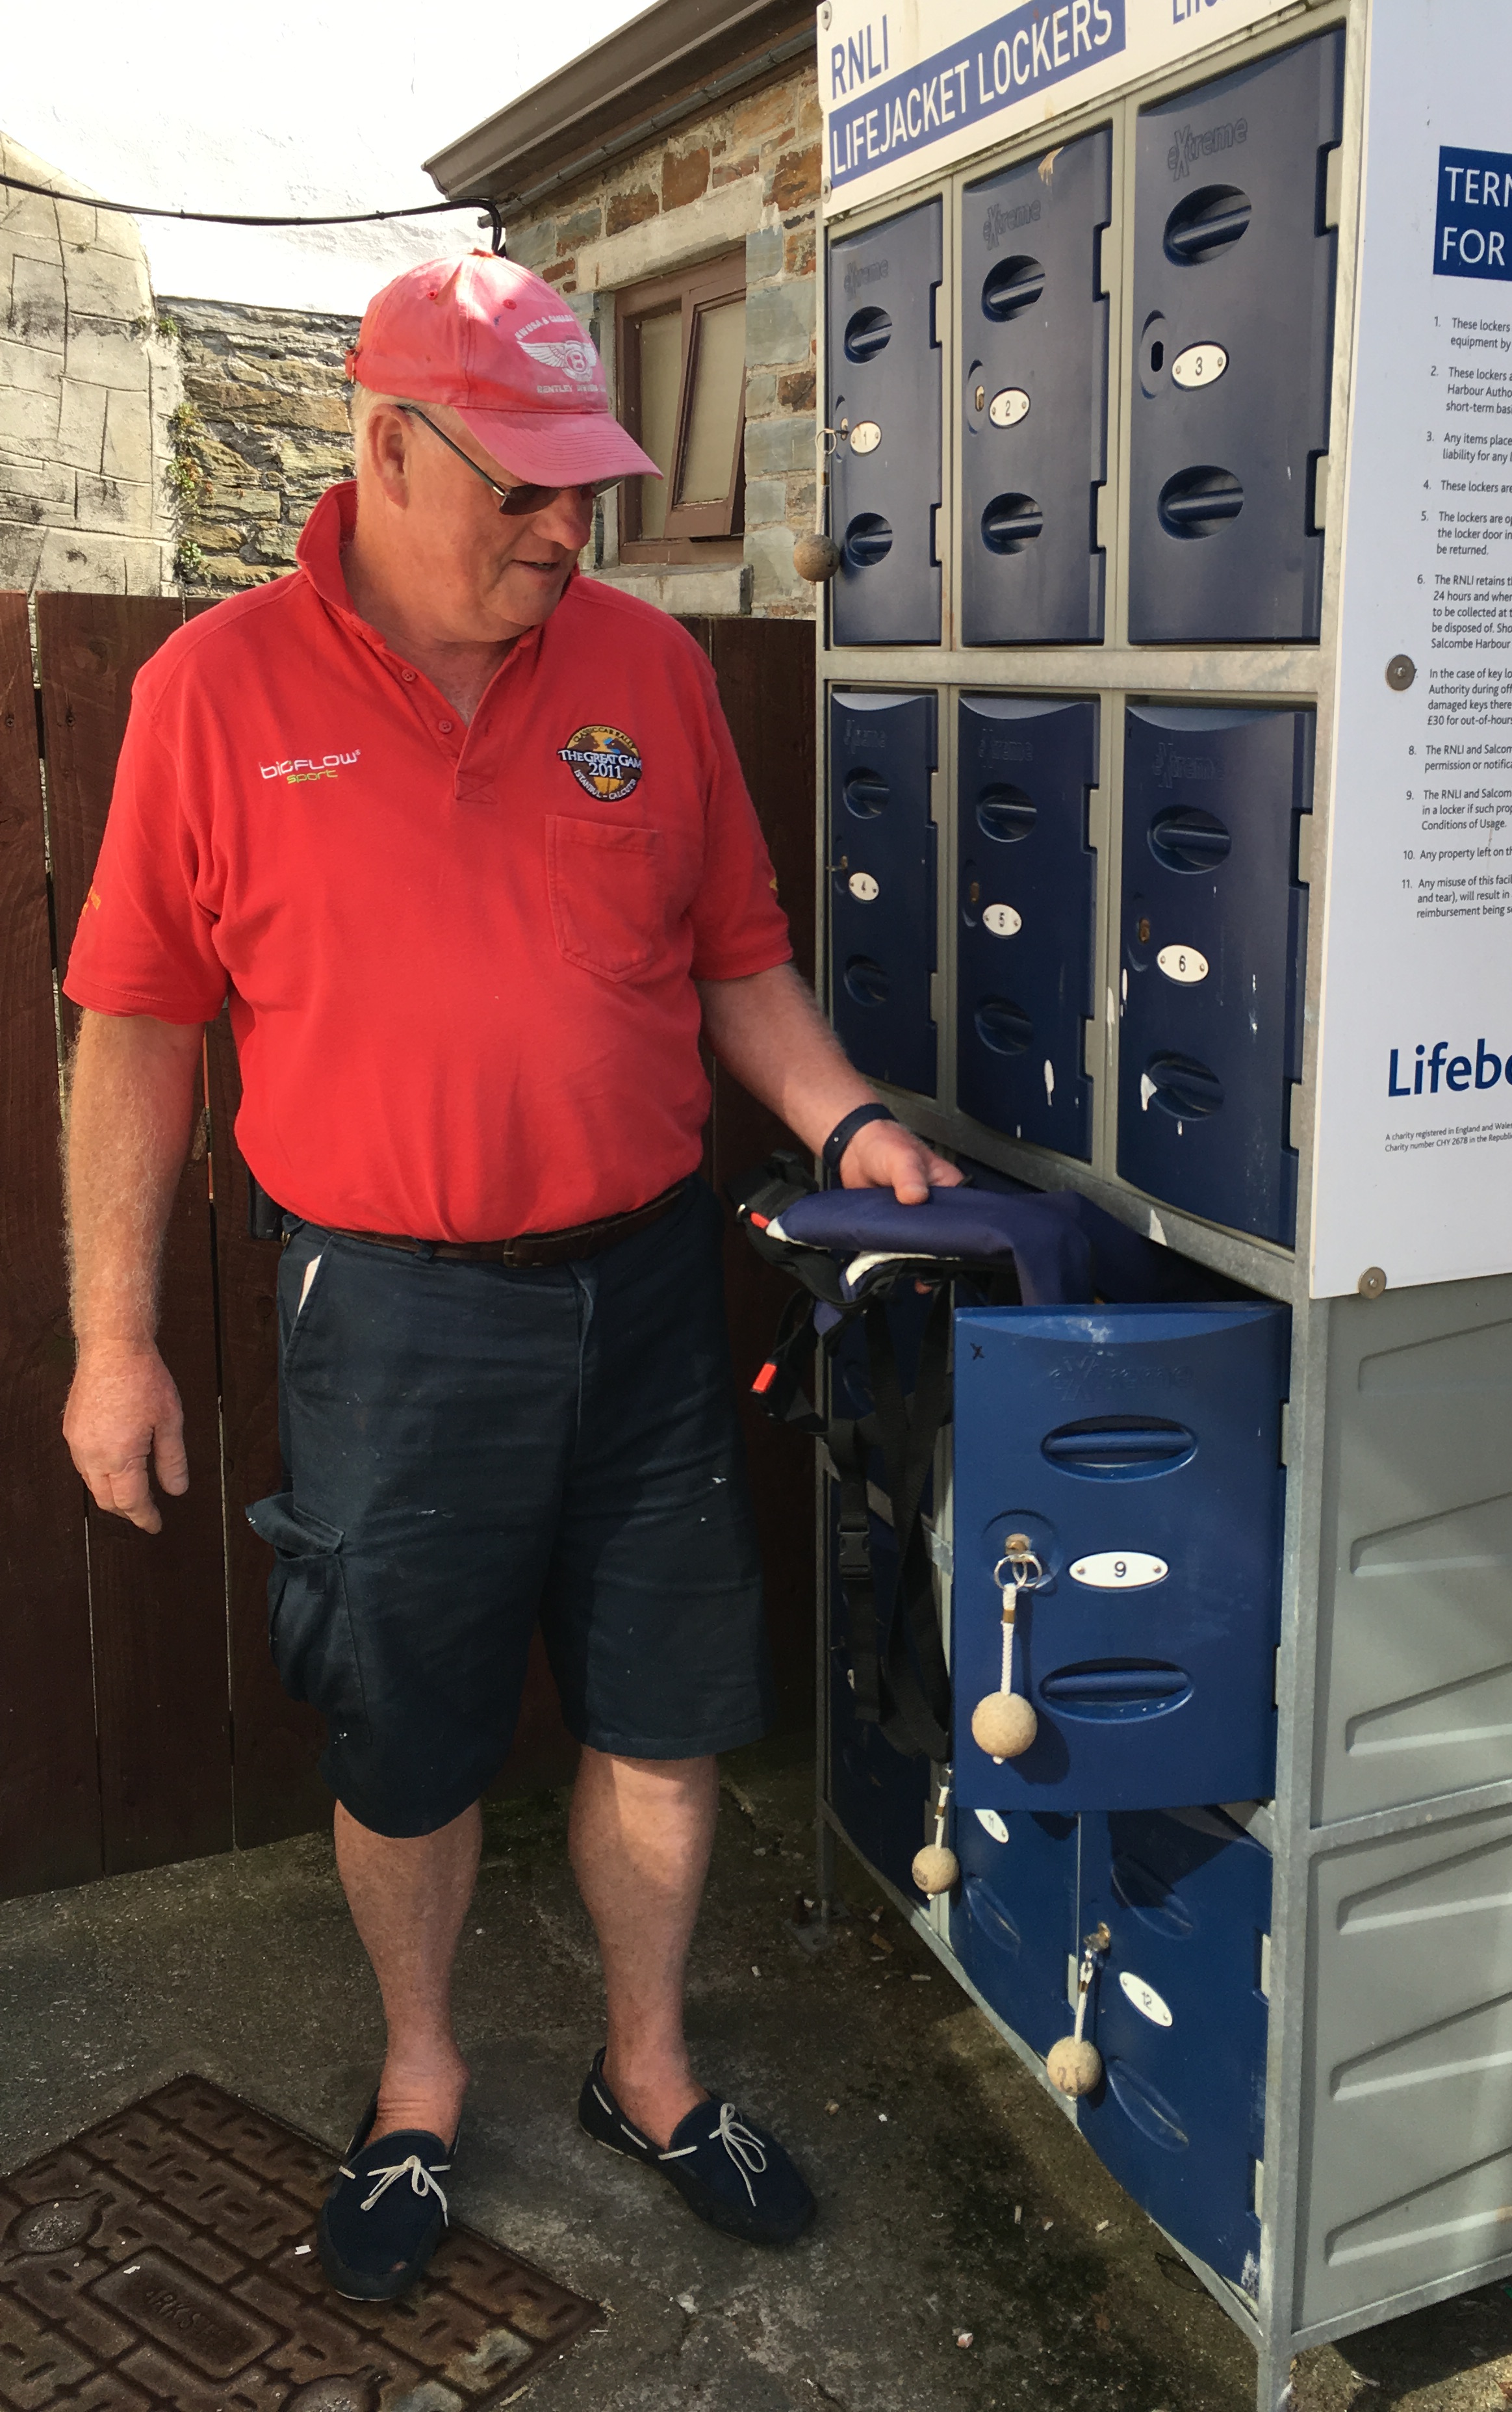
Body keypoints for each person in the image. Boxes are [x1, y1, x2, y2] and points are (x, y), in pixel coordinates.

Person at [59, 251, 959, 2302]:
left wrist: (842, 1127)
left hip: (643, 1293)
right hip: (386, 1318)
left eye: (590, 495)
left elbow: (739, 960)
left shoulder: (649, 676)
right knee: (410, 1735)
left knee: (664, 1714)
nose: (564, 532)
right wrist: (113, 1341)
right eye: (521, 487)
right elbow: (133, 1029)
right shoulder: (213, 696)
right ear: (384, 444)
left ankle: (648, 2071)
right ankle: (418, 2077)